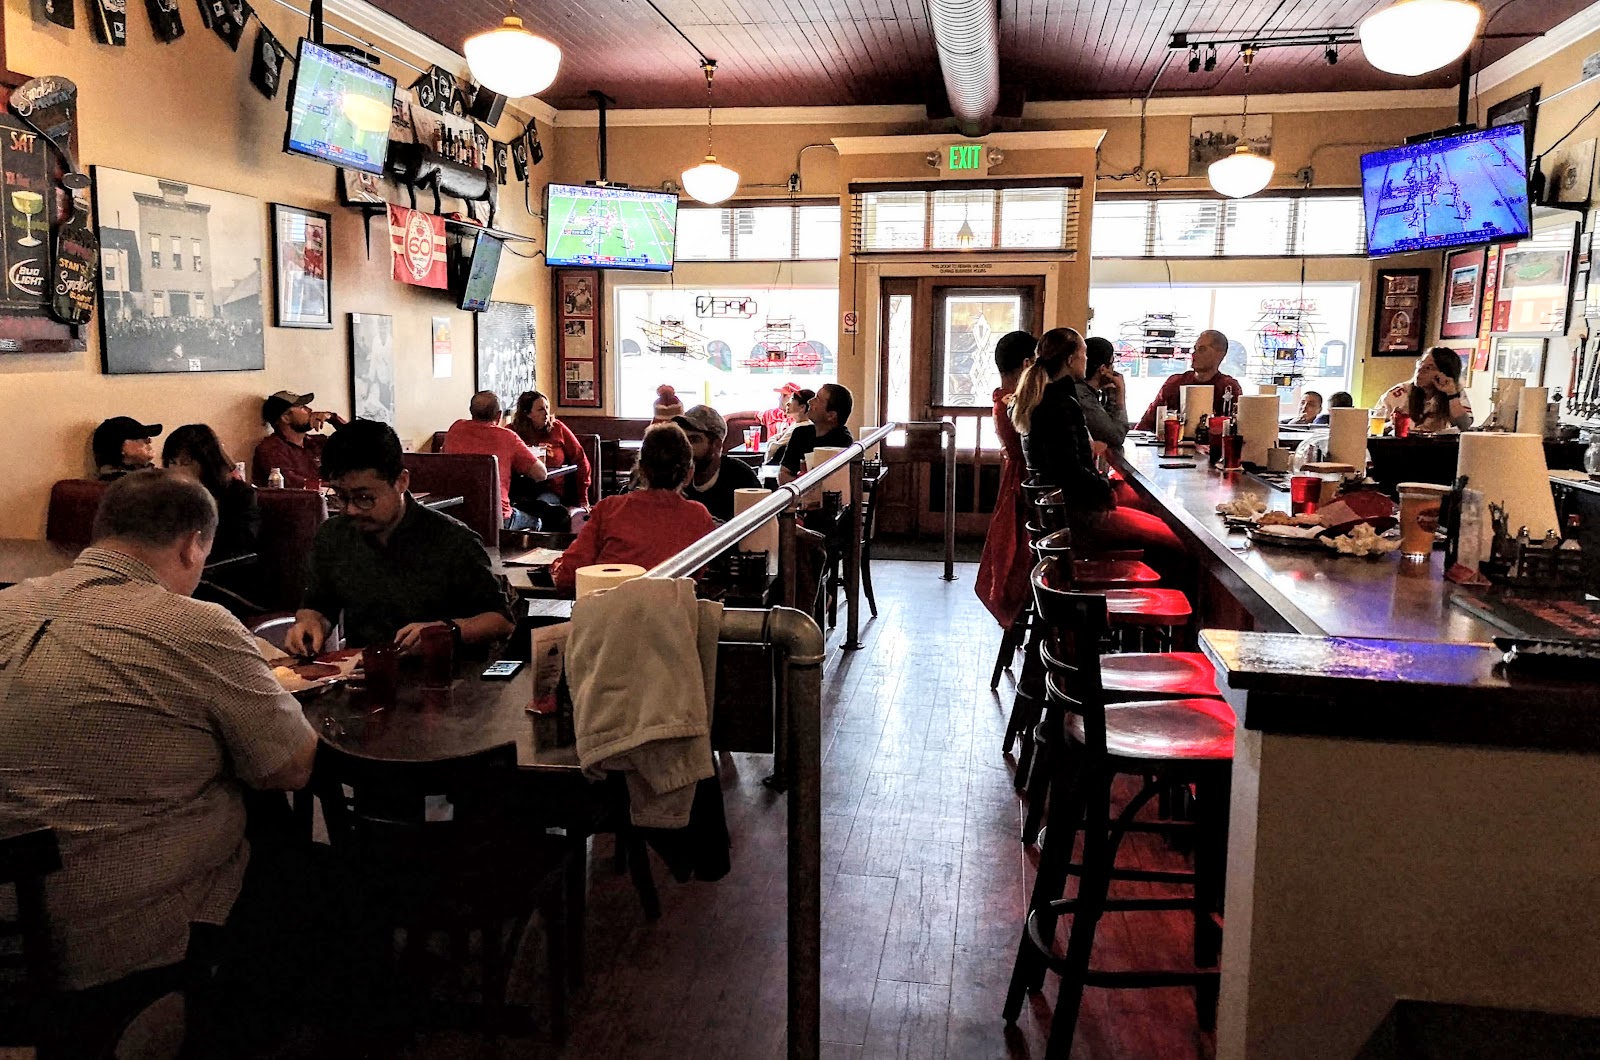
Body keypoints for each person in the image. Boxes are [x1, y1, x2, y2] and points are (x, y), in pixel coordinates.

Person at [0, 471, 316, 1052]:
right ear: (193, 544)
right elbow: (290, 768)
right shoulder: (194, 625)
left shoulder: (8, 604)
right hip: (97, 934)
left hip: (7, 917)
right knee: (289, 856)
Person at [285, 419, 515, 655]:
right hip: (367, 673)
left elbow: (501, 620)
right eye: (341, 497)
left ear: (401, 481)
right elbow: (318, 604)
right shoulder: (333, 536)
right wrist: (309, 623)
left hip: (445, 676)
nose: (351, 510)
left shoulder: (452, 539)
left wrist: (445, 631)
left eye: (364, 498)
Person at [1013, 327, 1189, 583]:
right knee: (1176, 541)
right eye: (1084, 354)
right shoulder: (1060, 404)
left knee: (1161, 527)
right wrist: (1104, 490)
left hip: (1065, 515)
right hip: (1081, 518)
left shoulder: (1042, 397)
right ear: (1071, 359)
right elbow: (1070, 472)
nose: (1087, 360)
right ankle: (1159, 612)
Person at [552, 423, 717, 595]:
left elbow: (569, 575)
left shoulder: (610, 509)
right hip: (670, 618)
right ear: (690, 473)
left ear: (641, 469)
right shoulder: (699, 516)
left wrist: (554, 567)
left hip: (609, 615)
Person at [975, 331, 1036, 628]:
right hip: (1024, 482)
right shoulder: (1015, 403)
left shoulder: (1005, 399)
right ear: (1027, 363)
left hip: (1017, 479)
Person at [443, 390, 549, 531]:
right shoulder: (507, 437)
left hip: (459, 516)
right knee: (536, 522)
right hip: (498, 518)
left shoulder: (455, 429)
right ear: (499, 415)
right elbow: (541, 474)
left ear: (471, 411)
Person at [162, 423, 260, 562]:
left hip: (222, 568)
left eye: (185, 462)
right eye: (172, 462)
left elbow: (240, 543)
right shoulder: (168, 494)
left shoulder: (239, 494)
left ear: (206, 461)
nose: (176, 470)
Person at [1134, 329, 1246, 430]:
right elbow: (1147, 423)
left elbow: (1236, 427)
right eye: (1195, 349)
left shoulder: (1228, 388)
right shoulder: (1174, 383)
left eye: (1202, 349)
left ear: (1220, 354)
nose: (1194, 354)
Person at [507, 389, 593, 516]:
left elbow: (581, 460)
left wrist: (583, 499)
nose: (546, 413)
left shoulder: (557, 428)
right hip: (519, 489)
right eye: (541, 409)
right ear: (527, 413)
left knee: (541, 507)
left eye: (547, 408)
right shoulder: (511, 431)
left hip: (551, 489)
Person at [676, 405, 761, 521]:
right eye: (682, 440)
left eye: (694, 440)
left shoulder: (742, 479)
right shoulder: (673, 475)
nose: (685, 448)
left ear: (716, 445)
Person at [251, 390, 346, 488]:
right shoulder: (271, 448)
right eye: (302, 407)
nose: (310, 410)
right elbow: (292, 483)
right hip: (300, 502)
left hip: (330, 500)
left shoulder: (317, 442)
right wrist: (337, 486)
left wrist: (332, 418)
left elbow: (357, 442)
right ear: (286, 418)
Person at [1370, 347, 1474, 433]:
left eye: (1429, 368)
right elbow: (1371, 429)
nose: (1420, 370)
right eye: (1420, 364)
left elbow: (1464, 426)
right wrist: (1393, 424)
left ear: (1444, 374)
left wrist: (1451, 395)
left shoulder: (1454, 392)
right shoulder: (1400, 393)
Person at [779, 383, 854, 484]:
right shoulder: (801, 433)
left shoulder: (842, 441)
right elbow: (784, 474)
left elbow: (831, 483)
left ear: (831, 415)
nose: (810, 401)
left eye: (817, 399)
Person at [1077, 336, 1130, 448]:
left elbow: (1108, 425)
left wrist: (1111, 395)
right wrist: (1120, 395)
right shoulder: (1083, 396)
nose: (1113, 369)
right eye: (1111, 364)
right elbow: (1116, 436)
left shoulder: (1087, 393)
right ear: (1103, 369)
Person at [92, 416, 162, 480]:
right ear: (120, 446)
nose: (149, 441)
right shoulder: (121, 485)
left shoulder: (152, 477)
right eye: (139, 437)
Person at [765, 385, 816, 467]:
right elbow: (777, 438)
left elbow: (774, 448)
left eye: (792, 399)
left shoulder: (800, 429)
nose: (787, 403)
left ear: (802, 407)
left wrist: (772, 441)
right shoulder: (796, 424)